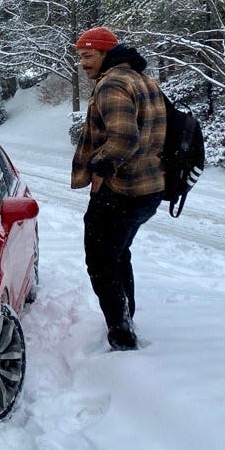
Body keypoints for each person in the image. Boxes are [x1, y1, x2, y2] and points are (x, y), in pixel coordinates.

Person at [71, 26, 167, 351]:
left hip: (121, 191)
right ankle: (126, 317)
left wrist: (100, 168)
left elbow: (124, 137)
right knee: (117, 253)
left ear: (104, 53)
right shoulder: (144, 80)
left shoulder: (112, 84)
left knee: (99, 260)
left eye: (87, 55)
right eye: (80, 56)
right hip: (149, 189)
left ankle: (121, 336)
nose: (82, 63)